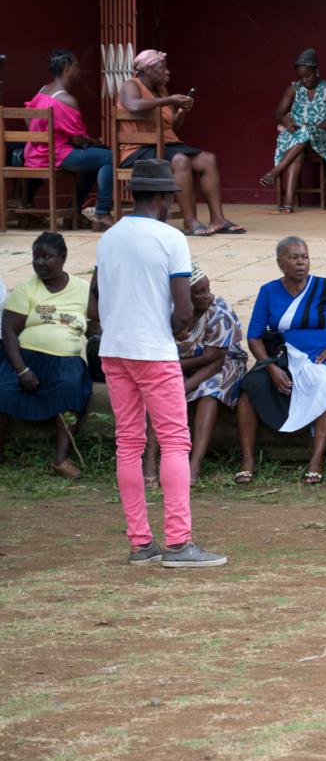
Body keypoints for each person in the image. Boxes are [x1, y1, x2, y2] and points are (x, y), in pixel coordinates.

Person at [88, 160, 227, 567]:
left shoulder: (108, 238)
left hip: (114, 350)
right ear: (166, 197)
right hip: (154, 352)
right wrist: (169, 331)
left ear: (133, 194)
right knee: (174, 442)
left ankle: (140, 543)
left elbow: (94, 302)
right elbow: (184, 311)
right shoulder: (171, 238)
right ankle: (178, 543)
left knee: (128, 444)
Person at [239, 236, 326, 486]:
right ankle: (247, 460)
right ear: (280, 263)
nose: (301, 262)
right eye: (293, 258)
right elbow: (254, 337)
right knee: (249, 388)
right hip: (281, 358)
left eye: (304, 257)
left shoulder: (324, 287)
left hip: (318, 357)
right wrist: (269, 367)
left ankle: (316, 460)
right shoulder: (268, 291)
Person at [118, 49, 242, 237]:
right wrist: (169, 100)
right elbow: (134, 105)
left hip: (166, 144)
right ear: (147, 70)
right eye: (162, 68)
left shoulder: (160, 90)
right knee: (180, 161)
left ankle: (218, 220)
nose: (167, 72)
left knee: (208, 159)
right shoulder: (131, 85)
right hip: (138, 149)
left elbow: (173, 125)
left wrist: (182, 110)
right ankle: (190, 222)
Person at [0, 233, 92, 476]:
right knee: (3, 389)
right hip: (27, 358)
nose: (40, 262)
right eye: (36, 257)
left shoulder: (82, 289)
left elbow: (96, 325)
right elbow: (9, 332)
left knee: (72, 389)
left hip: (66, 361)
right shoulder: (26, 288)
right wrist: (22, 370)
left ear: (62, 257)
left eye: (46, 257)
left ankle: (60, 460)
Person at [176, 264, 251, 483]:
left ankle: (195, 464)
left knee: (209, 393)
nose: (206, 295)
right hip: (184, 364)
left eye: (207, 289)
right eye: (198, 292)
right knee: (160, 390)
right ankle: (159, 459)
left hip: (225, 362)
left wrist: (184, 385)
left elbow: (213, 358)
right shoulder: (173, 311)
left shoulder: (220, 311)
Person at [28, 50, 114, 230]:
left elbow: (28, 118)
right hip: (57, 154)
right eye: (76, 66)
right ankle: (102, 212)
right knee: (109, 157)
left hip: (35, 152)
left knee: (95, 160)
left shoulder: (43, 90)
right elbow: (77, 140)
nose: (79, 70)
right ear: (67, 68)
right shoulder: (66, 100)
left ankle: (73, 212)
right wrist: (95, 142)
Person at [260, 48, 326, 214]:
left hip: (322, 137)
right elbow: (279, 113)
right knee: (299, 146)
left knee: (305, 131)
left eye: (307, 76)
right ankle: (288, 202)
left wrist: (314, 128)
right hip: (297, 136)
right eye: (301, 77)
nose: (304, 80)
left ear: (316, 71)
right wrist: (287, 121)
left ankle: (275, 172)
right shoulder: (294, 87)